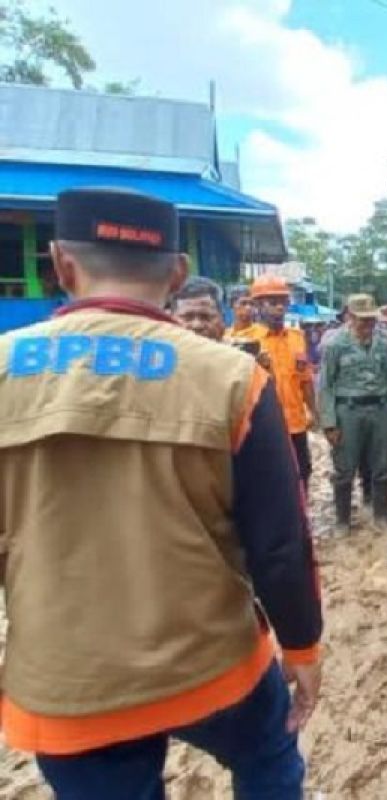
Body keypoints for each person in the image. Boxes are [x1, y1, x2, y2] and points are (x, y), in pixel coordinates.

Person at [0, 188, 322, 798]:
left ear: (60, 263)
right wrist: (303, 645)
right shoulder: (230, 378)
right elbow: (280, 542)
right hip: (209, 665)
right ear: (177, 274)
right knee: (270, 761)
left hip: (67, 684)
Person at [319, 294, 387, 535]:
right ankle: (343, 520)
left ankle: (381, 514)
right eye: (362, 320)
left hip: (380, 408)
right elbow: (326, 385)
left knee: (382, 464)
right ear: (350, 317)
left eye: (371, 320)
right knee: (344, 467)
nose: (367, 325)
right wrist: (329, 423)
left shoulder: (384, 342)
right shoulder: (335, 345)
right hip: (348, 410)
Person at [247, 275, 318, 492]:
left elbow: (305, 379)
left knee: (303, 472)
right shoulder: (245, 340)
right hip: (262, 425)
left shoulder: (297, 337)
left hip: (296, 422)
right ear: (257, 305)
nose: (279, 307)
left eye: (283, 302)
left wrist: (314, 412)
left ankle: (300, 520)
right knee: (267, 477)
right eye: (272, 302)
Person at [171, 275, 226, 341]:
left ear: (222, 320)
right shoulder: (159, 350)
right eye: (187, 317)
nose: (197, 325)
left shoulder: (238, 350)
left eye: (206, 317)